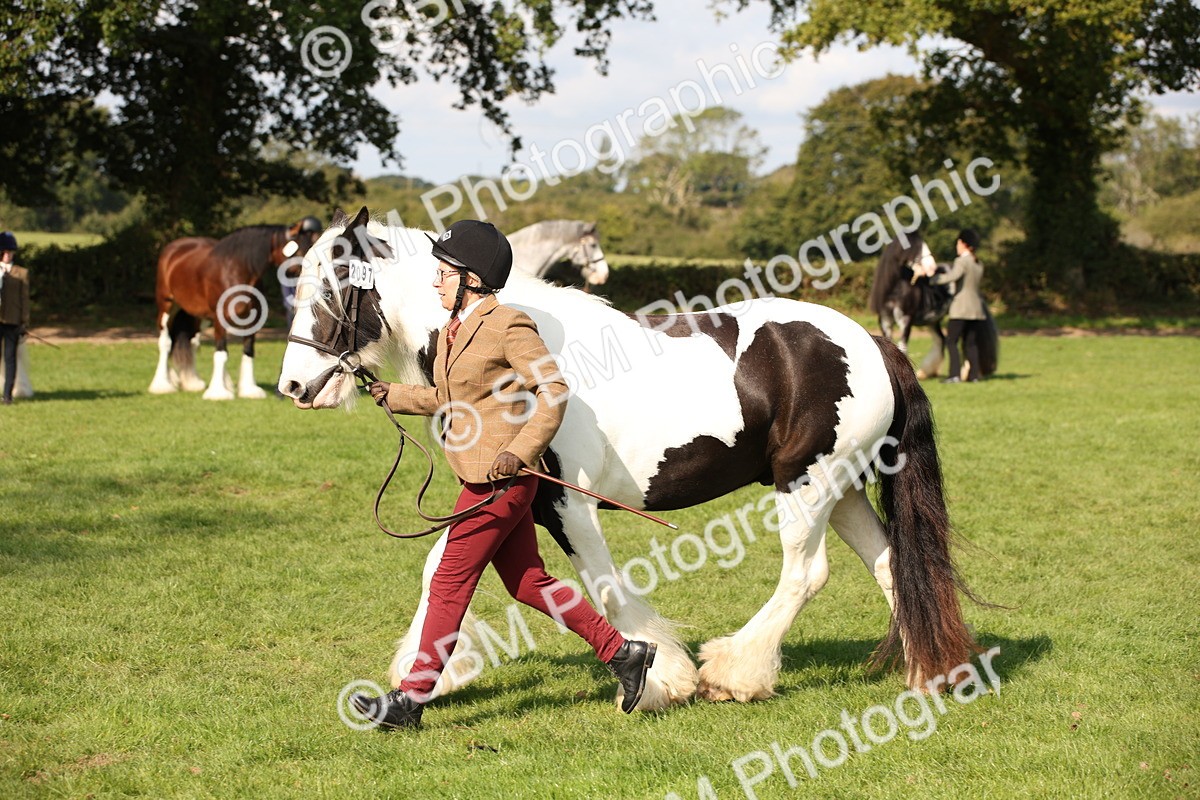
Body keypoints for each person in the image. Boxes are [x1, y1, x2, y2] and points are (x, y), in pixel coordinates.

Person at [352, 220, 656, 730]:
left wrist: (521, 451)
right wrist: (394, 394)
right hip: (480, 473)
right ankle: (624, 654)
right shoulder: (455, 328)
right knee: (527, 582)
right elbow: (455, 398)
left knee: (450, 582)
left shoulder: (507, 324)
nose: (436, 282)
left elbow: (553, 390)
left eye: (445, 273)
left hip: (501, 482)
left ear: (472, 279)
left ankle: (410, 699)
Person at [933, 228, 986, 383]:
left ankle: (954, 375)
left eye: (958, 243)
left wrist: (932, 278)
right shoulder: (978, 263)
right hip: (976, 309)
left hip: (961, 309)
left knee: (951, 341)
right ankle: (974, 376)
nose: (957, 246)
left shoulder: (961, 261)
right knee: (971, 344)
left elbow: (952, 276)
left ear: (963, 243)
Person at [0, 231, 31, 405]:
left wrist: (24, 322)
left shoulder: (21, 273)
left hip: (12, 321)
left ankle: (7, 395)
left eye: (10, 252)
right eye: (4, 252)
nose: (7, 256)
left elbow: (24, 300)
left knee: (11, 358)